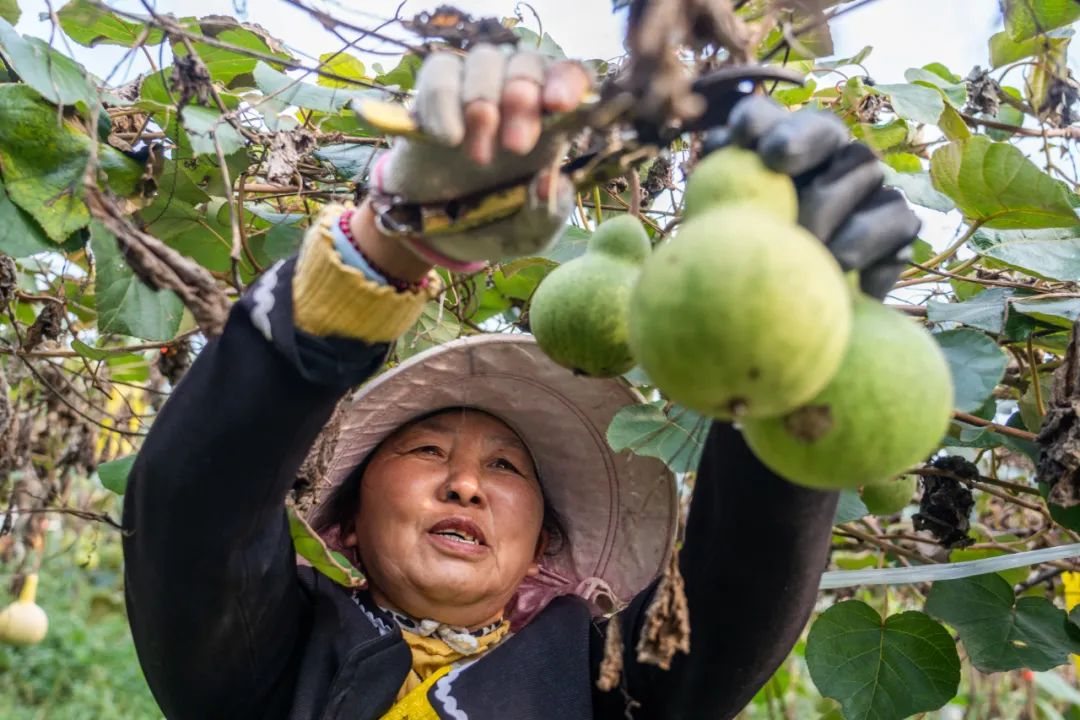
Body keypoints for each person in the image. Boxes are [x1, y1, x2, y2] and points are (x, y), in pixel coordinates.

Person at [122, 44, 920, 720]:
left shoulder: (602, 682)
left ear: (543, 543)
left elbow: (735, 593)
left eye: (505, 467)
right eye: (428, 450)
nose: (465, 484)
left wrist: (796, 341)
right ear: (352, 522)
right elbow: (195, 516)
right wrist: (392, 239)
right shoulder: (267, 660)